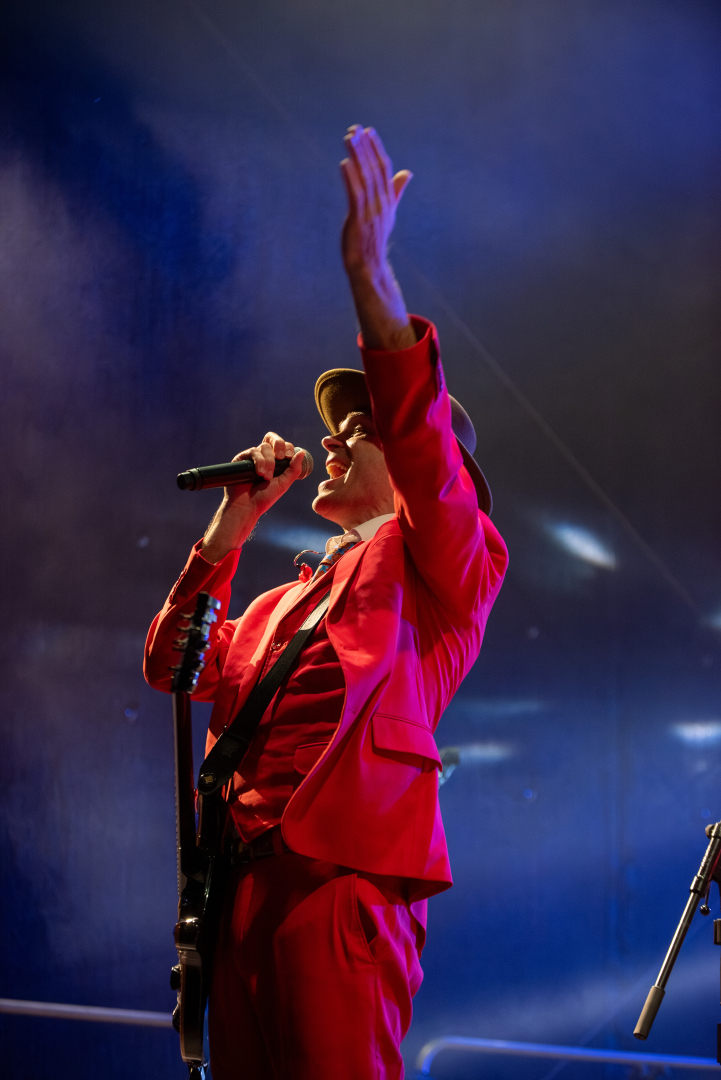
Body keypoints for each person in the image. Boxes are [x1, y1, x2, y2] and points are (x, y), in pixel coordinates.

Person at [145, 124, 508, 1080]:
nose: (335, 441)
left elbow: (424, 445)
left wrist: (371, 284)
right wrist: (230, 526)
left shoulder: (449, 566)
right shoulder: (281, 603)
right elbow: (172, 665)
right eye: (339, 428)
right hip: (241, 885)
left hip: (341, 878)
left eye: (361, 428)